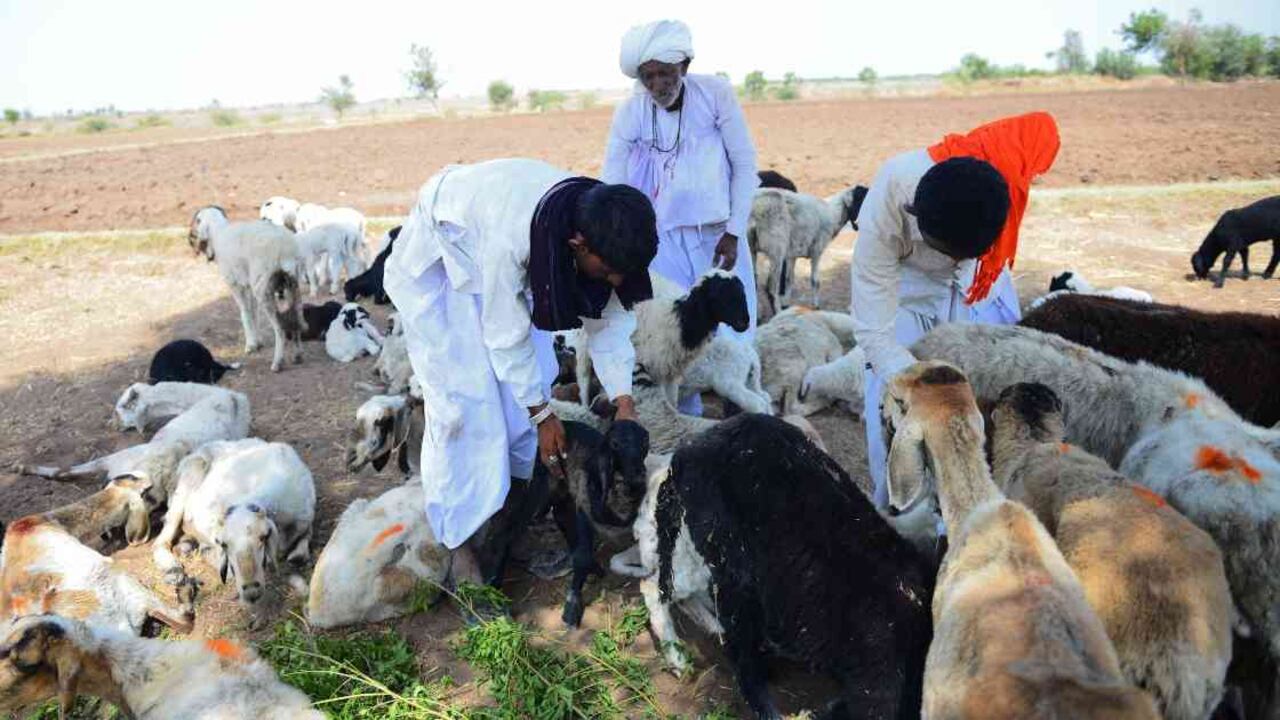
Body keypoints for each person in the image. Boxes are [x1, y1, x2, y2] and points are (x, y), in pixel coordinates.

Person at [383, 158, 658, 586]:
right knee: (463, 406)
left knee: (523, 403)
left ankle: (506, 526)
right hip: (446, 259)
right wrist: (543, 415)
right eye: (606, 270)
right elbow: (504, 334)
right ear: (578, 245)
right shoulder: (511, 238)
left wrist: (624, 404)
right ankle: (459, 547)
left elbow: (610, 321)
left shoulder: (607, 222)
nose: (614, 279)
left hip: (500, 263)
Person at [852, 112, 1061, 507]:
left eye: (967, 255)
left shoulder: (999, 176)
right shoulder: (891, 201)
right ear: (916, 218)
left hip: (981, 290)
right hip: (910, 300)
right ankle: (899, 512)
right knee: (895, 409)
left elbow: (1042, 127)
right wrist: (922, 385)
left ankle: (986, 507)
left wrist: (978, 271)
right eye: (949, 253)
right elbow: (873, 329)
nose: (956, 261)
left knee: (999, 398)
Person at [603, 19, 759, 415]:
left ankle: (741, 427)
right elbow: (612, 185)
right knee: (675, 337)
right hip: (663, 243)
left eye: (665, 73)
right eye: (648, 76)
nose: (657, 84)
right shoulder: (631, 112)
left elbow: (744, 163)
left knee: (736, 335)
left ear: (684, 67)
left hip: (718, 239)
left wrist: (735, 230)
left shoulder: (715, 94)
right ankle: (685, 437)